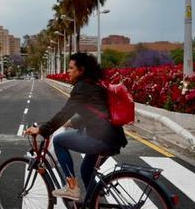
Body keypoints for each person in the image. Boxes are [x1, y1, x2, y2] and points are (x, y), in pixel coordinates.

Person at [24, 53, 128, 200]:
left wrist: (42, 129)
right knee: (86, 170)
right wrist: (71, 123)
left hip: (100, 137)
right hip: (111, 136)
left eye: (71, 67)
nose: (68, 71)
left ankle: (72, 187)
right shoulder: (94, 83)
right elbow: (96, 113)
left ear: (81, 70)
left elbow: (65, 112)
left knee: (59, 140)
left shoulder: (82, 87)